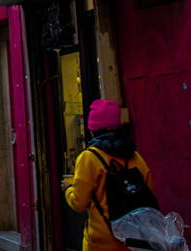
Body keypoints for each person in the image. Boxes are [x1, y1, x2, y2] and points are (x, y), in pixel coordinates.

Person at [63, 99, 157, 251]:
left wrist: (68, 189)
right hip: (135, 243)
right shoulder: (135, 157)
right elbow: (150, 197)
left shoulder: (89, 158)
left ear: (92, 129)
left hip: (101, 243)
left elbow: (79, 203)